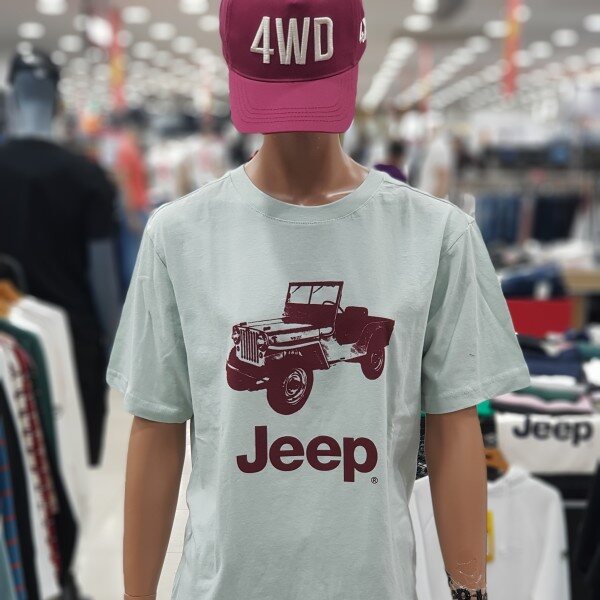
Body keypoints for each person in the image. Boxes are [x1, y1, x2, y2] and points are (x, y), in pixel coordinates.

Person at [108, 1, 530, 599]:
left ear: (356, 54)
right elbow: (156, 424)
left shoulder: (437, 236)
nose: (296, 127)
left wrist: (470, 593)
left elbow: (455, 426)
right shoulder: (178, 235)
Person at [0, 49, 121, 466]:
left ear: (11, 97)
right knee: (69, 471)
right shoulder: (88, 177)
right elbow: (103, 276)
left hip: (5, 341)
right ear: (57, 100)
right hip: (73, 345)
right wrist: (114, 344)